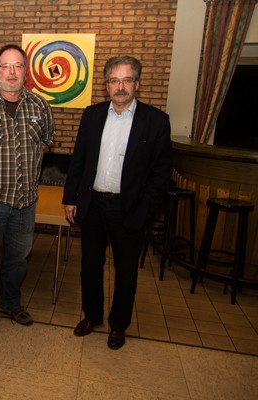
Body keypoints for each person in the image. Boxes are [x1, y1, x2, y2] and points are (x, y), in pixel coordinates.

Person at [62, 55, 173, 350]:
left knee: (125, 272)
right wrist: (70, 198)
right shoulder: (92, 114)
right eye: (114, 80)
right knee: (90, 266)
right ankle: (92, 316)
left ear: (137, 83)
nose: (120, 87)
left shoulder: (156, 121)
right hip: (93, 205)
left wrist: (145, 209)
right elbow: (79, 160)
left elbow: (161, 175)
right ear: (106, 84)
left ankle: (118, 325)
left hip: (130, 209)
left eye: (126, 80)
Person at [0, 44, 54, 333]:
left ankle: (10, 302)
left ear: (26, 71)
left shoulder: (40, 106)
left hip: (26, 202)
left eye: (17, 66)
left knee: (18, 258)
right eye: (5, 66)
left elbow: (45, 144)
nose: (12, 72)